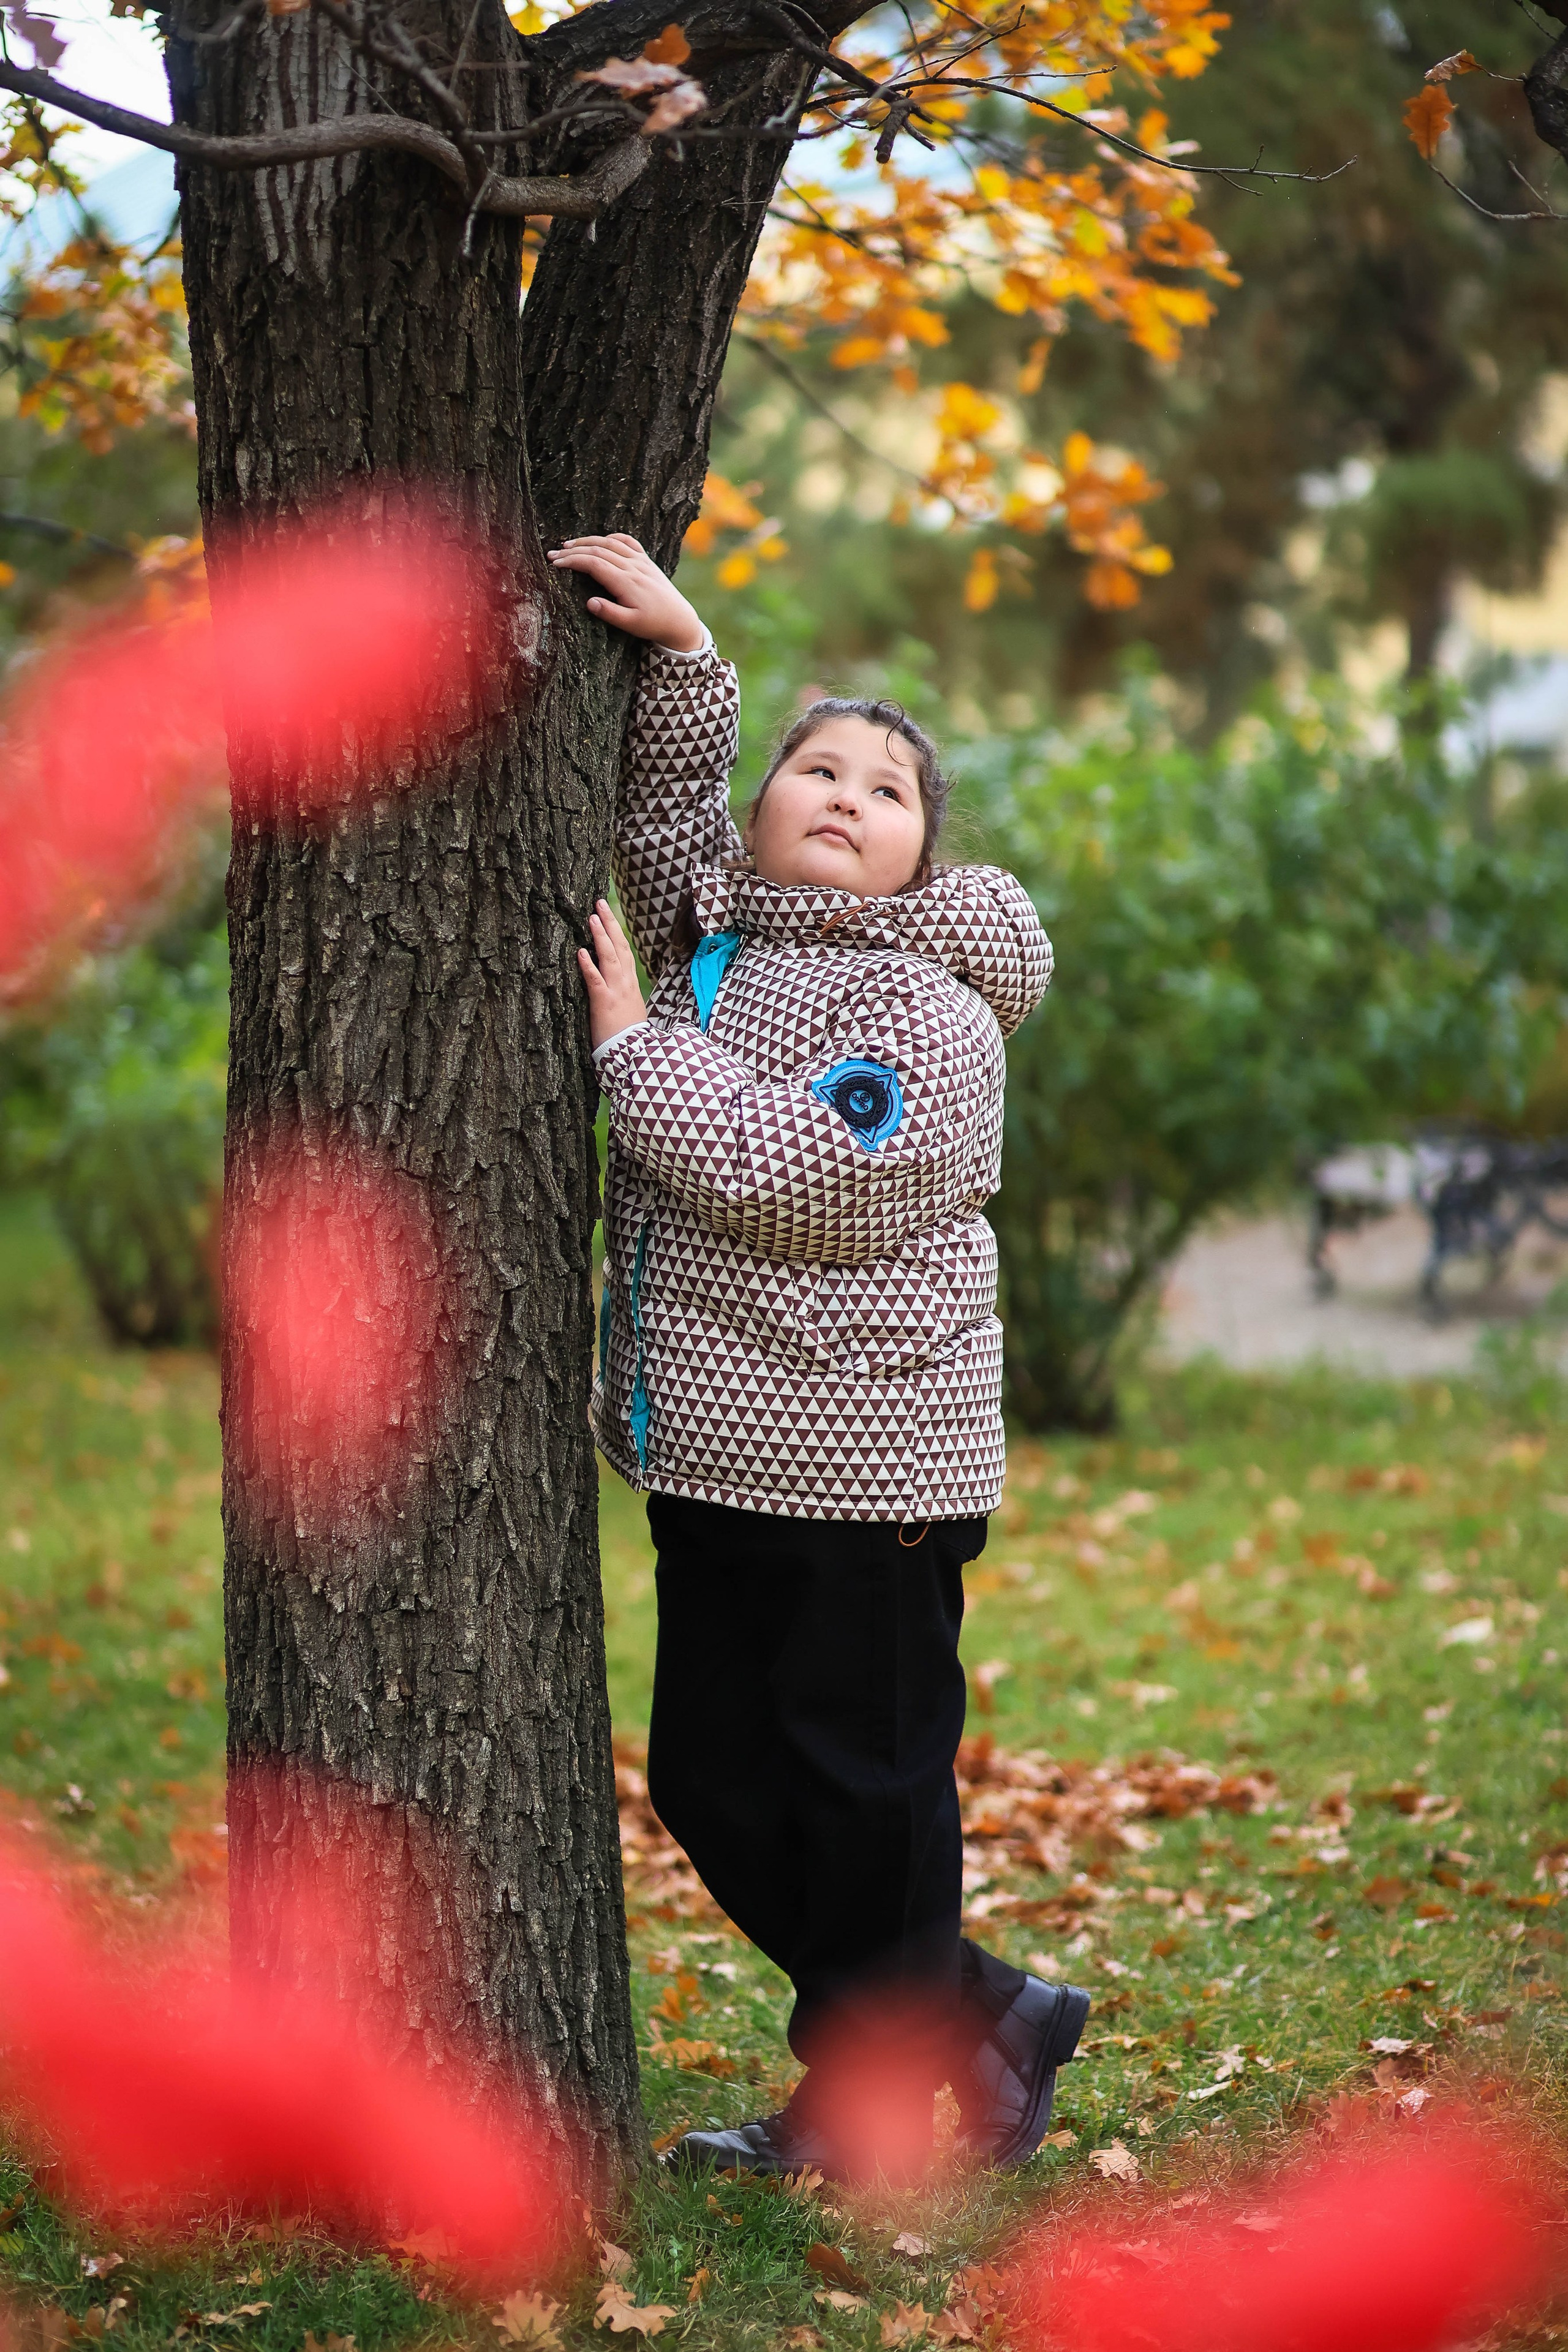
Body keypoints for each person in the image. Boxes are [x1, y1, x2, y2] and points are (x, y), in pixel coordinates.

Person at [548, 530, 1089, 2182]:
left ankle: (859, 2103)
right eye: (817, 767)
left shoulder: (926, 1013)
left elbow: (803, 1177)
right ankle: (989, 2008)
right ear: (770, 806)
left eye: (890, 788)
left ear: (927, 856)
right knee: (715, 1780)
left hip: (872, 1470)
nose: (848, 794)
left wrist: (630, 1050)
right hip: (717, 1457)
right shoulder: (725, 941)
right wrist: (690, 658)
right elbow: (658, 825)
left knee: (866, 1802)